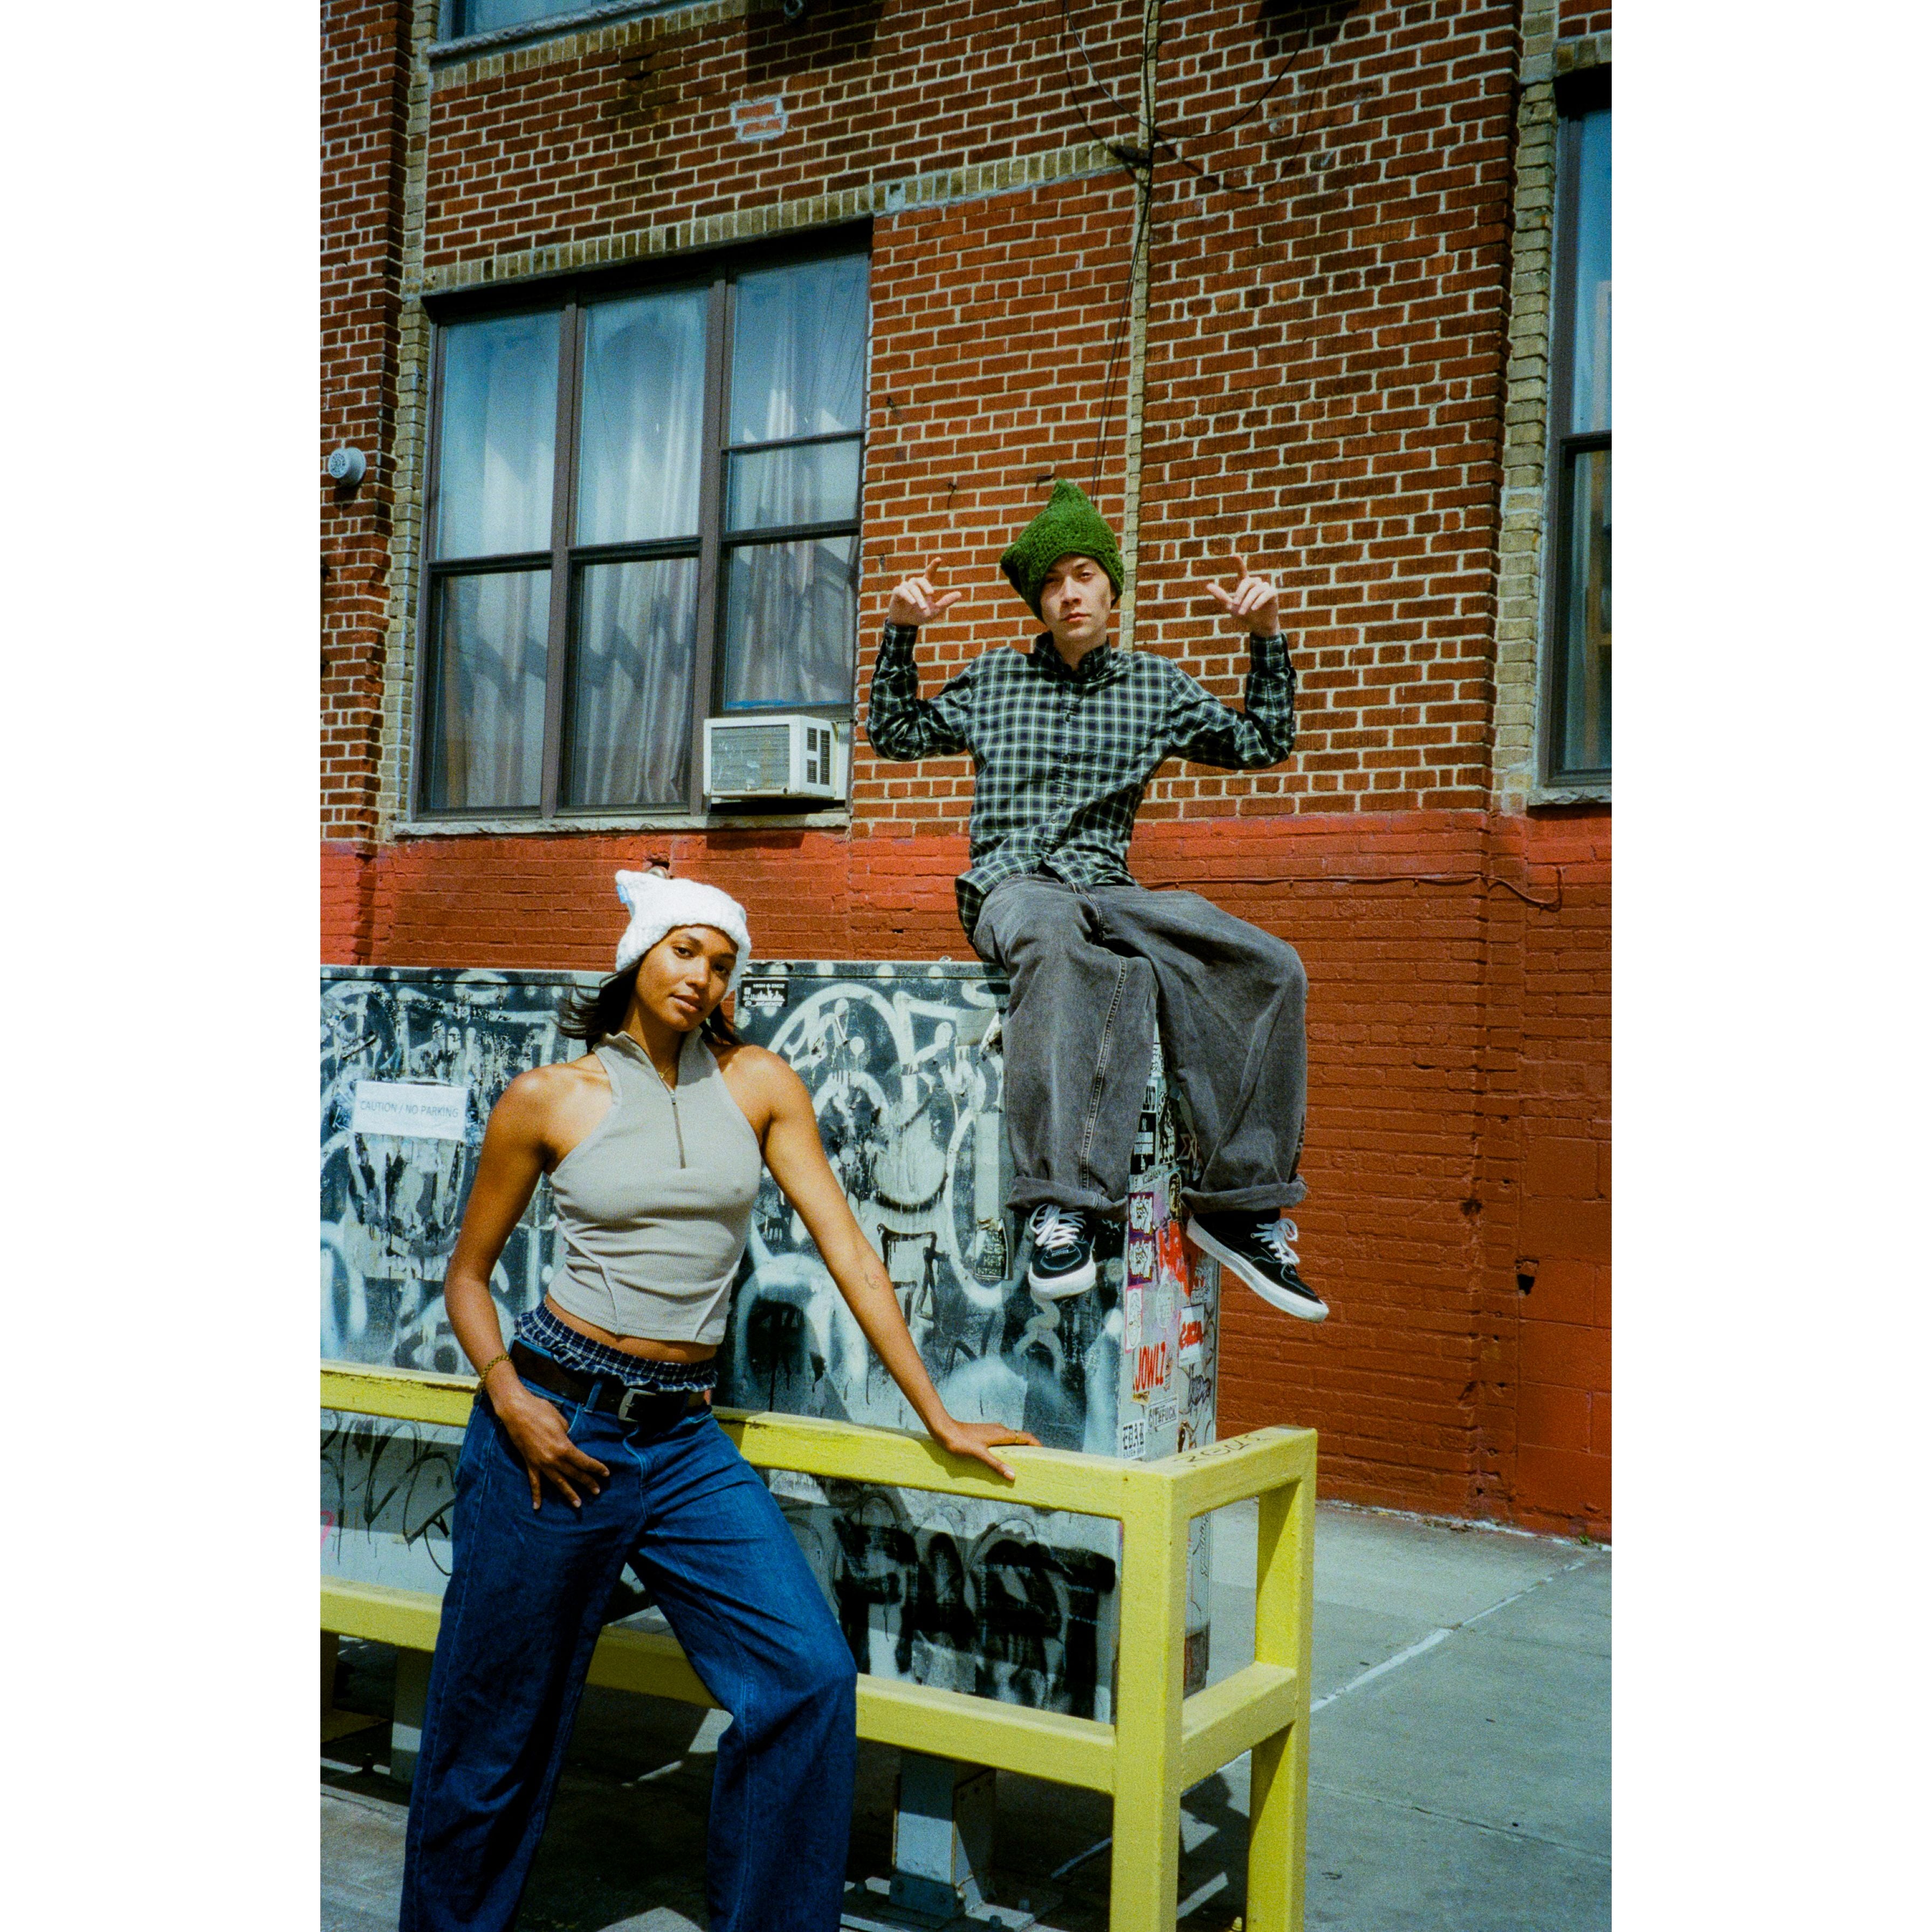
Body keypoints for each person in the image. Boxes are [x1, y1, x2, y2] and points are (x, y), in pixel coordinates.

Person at [400, 869, 1036, 1932]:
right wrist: (509, 1397)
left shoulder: (759, 1083)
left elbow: (848, 1247)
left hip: (685, 1439)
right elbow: (468, 1275)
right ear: (638, 956)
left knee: (806, 1675)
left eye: (723, 961)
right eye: (685, 950)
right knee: (493, 1727)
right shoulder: (549, 1098)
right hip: (551, 1425)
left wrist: (935, 1410)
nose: (703, 976)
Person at [865, 476, 1326, 1322]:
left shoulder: (1154, 688)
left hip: (1111, 887)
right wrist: (900, 631)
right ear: (1037, 601)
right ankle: (1063, 1204)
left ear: (1112, 588)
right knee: (1061, 948)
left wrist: (1266, 638)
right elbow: (896, 733)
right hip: (1014, 886)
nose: (1068, 593)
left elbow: (1263, 741)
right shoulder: (996, 679)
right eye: (1050, 583)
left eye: (1083, 575)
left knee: (1264, 962)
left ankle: (1243, 1205)